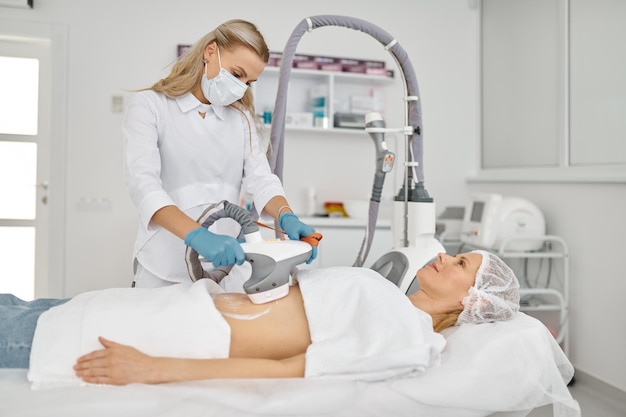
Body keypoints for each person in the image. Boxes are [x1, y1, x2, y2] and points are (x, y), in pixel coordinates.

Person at [0, 250, 520, 385]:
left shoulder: (409, 338)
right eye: (455, 253)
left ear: (468, 301)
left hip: (173, 335)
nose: (444, 257)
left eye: (459, 265)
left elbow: (290, 369)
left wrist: (152, 368)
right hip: (168, 306)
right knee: (17, 307)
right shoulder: (389, 298)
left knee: (16, 331)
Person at [123, 18, 315, 288]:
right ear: (210, 52)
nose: (240, 87)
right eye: (237, 74)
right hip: (162, 265)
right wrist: (196, 235)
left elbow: (261, 180)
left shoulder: (240, 118)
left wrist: (286, 214)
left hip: (226, 264)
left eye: (248, 82)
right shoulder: (151, 106)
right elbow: (144, 186)